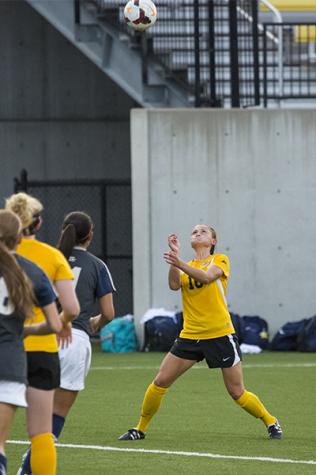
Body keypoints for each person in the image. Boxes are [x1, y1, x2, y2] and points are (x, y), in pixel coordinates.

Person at [119, 224, 282, 441]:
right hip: (190, 335)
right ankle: (139, 429)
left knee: (237, 392)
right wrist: (175, 260)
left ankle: (270, 421)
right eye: (194, 231)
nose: (198, 233)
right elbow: (174, 285)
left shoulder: (220, 260)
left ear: (213, 242)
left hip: (219, 334)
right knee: (160, 381)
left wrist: (180, 263)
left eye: (204, 231)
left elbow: (206, 277)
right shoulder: (188, 264)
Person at [5, 193, 80, 475]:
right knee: (41, 433)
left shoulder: (6, 255)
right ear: (38, 224)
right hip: (42, 350)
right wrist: (60, 321)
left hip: (6, 348)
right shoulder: (52, 256)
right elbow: (71, 307)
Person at [0, 210, 62, 475]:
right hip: (10, 364)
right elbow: (56, 323)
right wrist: (28, 331)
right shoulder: (32, 270)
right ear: (18, 238)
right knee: (37, 433)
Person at [52, 211, 115, 442]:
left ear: (63, 231)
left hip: (40, 336)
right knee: (55, 417)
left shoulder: (48, 258)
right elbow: (108, 313)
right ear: (90, 235)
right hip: (73, 340)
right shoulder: (97, 266)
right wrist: (94, 323)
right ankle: (29, 467)